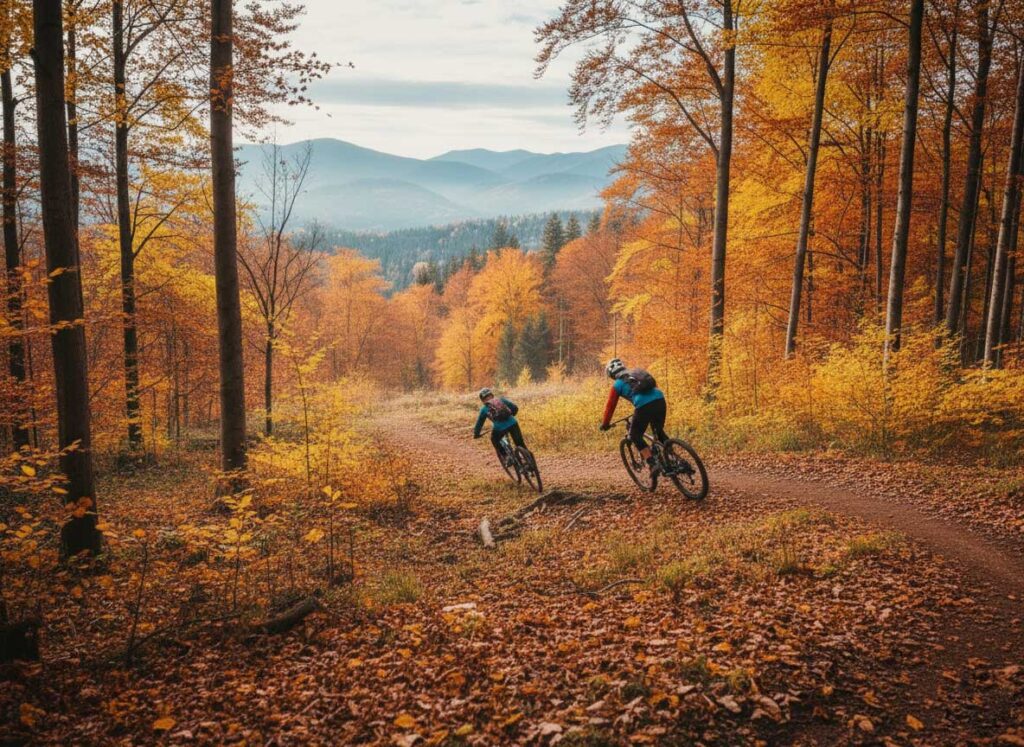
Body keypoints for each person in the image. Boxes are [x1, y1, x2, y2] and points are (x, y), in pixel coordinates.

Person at [599, 358, 667, 475]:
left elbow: (610, 407)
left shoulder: (618, 384)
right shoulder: (638, 373)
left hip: (643, 406)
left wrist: (605, 424)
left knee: (635, 435)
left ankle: (652, 463)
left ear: (611, 374)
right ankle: (673, 457)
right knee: (659, 432)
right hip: (660, 399)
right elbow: (654, 387)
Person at [473, 387, 526, 465]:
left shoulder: (484, 409)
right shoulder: (501, 400)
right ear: (492, 395)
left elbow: (479, 423)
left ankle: (506, 456)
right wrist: (512, 415)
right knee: (519, 443)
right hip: (513, 423)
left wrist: (476, 433)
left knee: (494, 439)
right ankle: (528, 459)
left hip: (500, 428)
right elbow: (515, 407)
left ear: (482, 400)